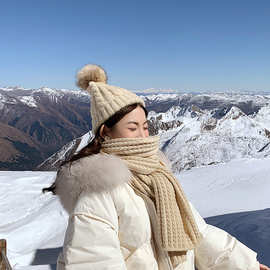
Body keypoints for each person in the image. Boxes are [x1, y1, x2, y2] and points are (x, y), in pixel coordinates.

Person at [43, 64, 268, 270]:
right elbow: (92, 261)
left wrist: (245, 265)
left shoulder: (158, 175)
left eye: (145, 126)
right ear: (105, 132)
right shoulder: (98, 189)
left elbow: (197, 232)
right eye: (133, 128)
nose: (143, 136)